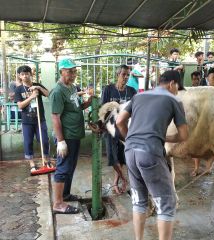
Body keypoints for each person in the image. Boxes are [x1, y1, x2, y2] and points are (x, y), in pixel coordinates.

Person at [116, 70, 188, 240]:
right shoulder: (174, 100)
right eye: (178, 87)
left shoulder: (139, 96)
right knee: (166, 204)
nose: (178, 91)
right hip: (150, 152)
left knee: (139, 200)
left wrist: (131, 140)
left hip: (130, 152)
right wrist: (164, 137)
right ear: (172, 84)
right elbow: (184, 135)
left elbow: (119, 121)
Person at [50, 58, 93, 214]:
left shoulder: (72, 87)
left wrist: (88, 102)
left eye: (74, 71)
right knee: (63, 168)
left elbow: (78, 106)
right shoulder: (58, 91)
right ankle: (58, 204)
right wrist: (61, 141)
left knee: (71, 166)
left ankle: (66, 194)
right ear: (62, 71)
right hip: (66, 136)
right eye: (69, 71)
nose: (73, 74)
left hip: (75, 135)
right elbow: (55, 116)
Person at [101, 65, 137, 194]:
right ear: (117, 75)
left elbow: (136, 110)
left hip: (126, 128)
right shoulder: (108, 89)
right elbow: (103, 109)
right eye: (123, 74)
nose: (126, 77)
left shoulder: (132, 91)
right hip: (110, 128)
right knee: (113, 157)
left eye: (128, 75)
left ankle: (117, 182)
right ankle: (123, 179)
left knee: (123, 157)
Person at [14, 65, 50, 174]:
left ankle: (46, 161)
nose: (25, 76)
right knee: (28, 142)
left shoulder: (37, 85)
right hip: (27, 122)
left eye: (27, 73)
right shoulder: (19, 89)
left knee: (44, 140)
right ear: (20, 76)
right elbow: (20, 106)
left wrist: (38, 88)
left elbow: (49, 94)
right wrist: (31, 97)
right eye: (22, 74)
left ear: (31, 74)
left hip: (40, 119)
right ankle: (32, 164)